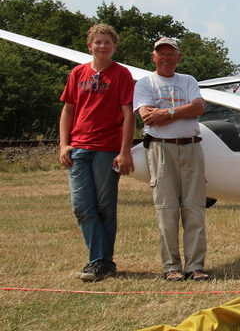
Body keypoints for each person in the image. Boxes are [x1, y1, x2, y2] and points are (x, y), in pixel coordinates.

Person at [59, 24, 135, 282]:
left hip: (107, 150)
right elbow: (68, 110)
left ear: (114, 46)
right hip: (78, 149)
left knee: (104, 206)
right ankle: (101, 260)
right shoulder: (78, 73)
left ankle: (101, 262)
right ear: (89, 45)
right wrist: (63, 144)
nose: (102, 46)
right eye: (97, 42)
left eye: (107, 42)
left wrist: (125, 151)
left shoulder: (121, 74)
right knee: (82, 206)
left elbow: (128, 115)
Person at [134, 37, 210, 281]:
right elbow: (147, 117)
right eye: (161, 54)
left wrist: (166, 112)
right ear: (153, 57)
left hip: (191, 148)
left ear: (178, 57)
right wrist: (180, 112)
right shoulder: (145, 83)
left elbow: (198, 107)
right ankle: (171, 267)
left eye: (171, 54)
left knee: (194, 208)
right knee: (166, 209)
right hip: (160, 149)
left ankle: (195, 266)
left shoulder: (188, 80)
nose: (166, 58)